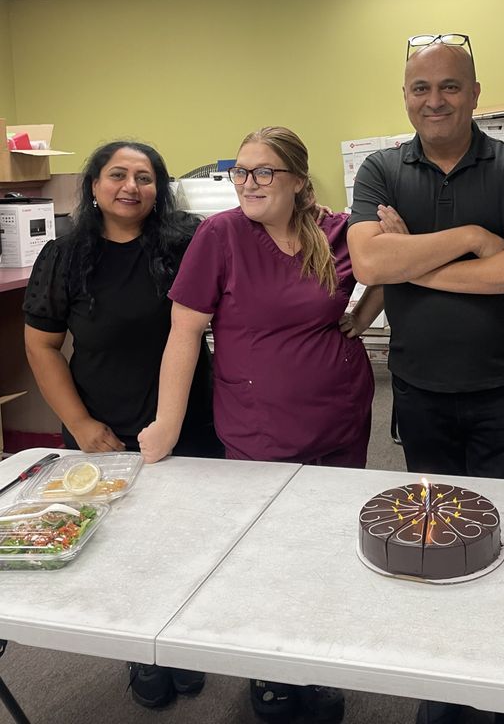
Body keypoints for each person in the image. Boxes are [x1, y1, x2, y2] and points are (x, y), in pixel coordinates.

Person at [138, 125, 381, 724]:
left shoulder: (338, 231)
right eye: (240, 172)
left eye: (263, 172)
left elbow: (390, 271)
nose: (247, 183)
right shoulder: (220, 235)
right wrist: (167, 424)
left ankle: (317, 664)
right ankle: (269, 668)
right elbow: (184, 333)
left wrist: (365, 314)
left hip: (340, 415)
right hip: (258, 424)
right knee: (266, 553)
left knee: (329, 545)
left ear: (297, 180)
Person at [347, 34, 504, 724]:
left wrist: (411, 258)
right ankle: (444, 684)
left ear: (474, 93)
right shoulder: (381, 169)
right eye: (420, 87)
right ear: (405, 95)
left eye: (449, 86)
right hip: (419, 395)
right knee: (431, 544)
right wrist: (471, 238)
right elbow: (370, 267)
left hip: (503, 391)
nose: (434, 100)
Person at [23, 139, 220, 710]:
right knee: (121, 547)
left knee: (190, 535)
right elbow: (41, 347)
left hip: (189, 418)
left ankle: (184, 641)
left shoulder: (187, 243)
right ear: (94, 185)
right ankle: (141, 651)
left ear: (160, 189)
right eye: (117, 175)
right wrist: (80, 423)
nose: (130, 186)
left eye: (144, 177)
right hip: (102, 427)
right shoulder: (63, 256)